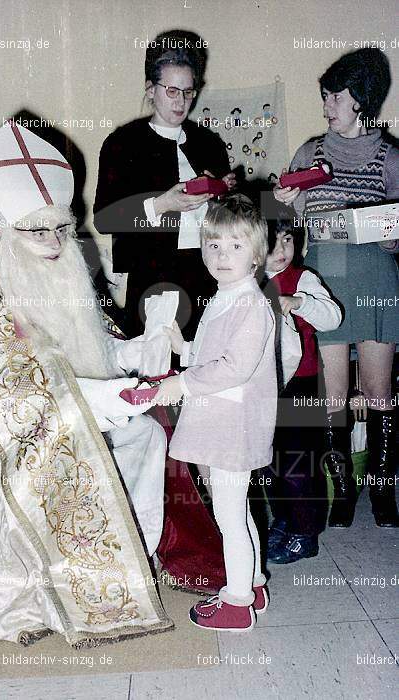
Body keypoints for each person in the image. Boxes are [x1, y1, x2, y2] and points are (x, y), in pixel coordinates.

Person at [0, 121, 173, 646]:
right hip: (2, 438)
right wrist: (108, 400)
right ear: (2, 230)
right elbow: (15, 394)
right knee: (47, 466)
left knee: (146, 437)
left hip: (79, 412)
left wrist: (141, 351)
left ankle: (123, 566)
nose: (54, 243)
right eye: (37, 232)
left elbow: (97, 343)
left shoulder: (66, 263)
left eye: (61, 228)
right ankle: (32, 597)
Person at [273, 48, 399, 528]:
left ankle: (383, 494)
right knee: (333, 396)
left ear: (359, 101)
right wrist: (287, 201)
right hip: (324, 281)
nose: (327, 106)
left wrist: (393, 233)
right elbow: (287, 225)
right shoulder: (310, 151)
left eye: (335, 97)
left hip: (375, 280)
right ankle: (342, 491)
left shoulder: (390, 156)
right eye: (324, 96)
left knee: (379, 391)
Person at [153, 195, 277, 631]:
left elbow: (235, 367)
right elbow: (211, 354)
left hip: (232, 427)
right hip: (218, 422)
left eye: (236, 246)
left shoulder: (251, 305)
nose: (223, 256)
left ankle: (238, 602)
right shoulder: (224, 297)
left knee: (228, 515)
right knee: (236, 510)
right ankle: (254, 583)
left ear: (258, 255)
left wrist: (180, 382)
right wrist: (182, 348)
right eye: (214, 246)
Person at [94, 29, 234, 338]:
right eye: (172, 90)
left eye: (189, 91)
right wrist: (163, 204)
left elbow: (229, 219)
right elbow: (104, 218)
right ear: (150, 89)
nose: (182, 101)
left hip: (211, 273)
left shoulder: (208, 144)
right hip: (154, 278)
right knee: (158, 371)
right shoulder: (123, 143)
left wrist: (225, 194)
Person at [262, 206, 342, 564]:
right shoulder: (245, 280)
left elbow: (332, 317)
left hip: (301, 382)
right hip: (262, 384)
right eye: (271, 241)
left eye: (288, 239)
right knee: (270, 460)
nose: (281, 250)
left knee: (299, 461)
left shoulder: (302, 278)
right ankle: (284, 519)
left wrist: (298, 302)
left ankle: (305, 532)